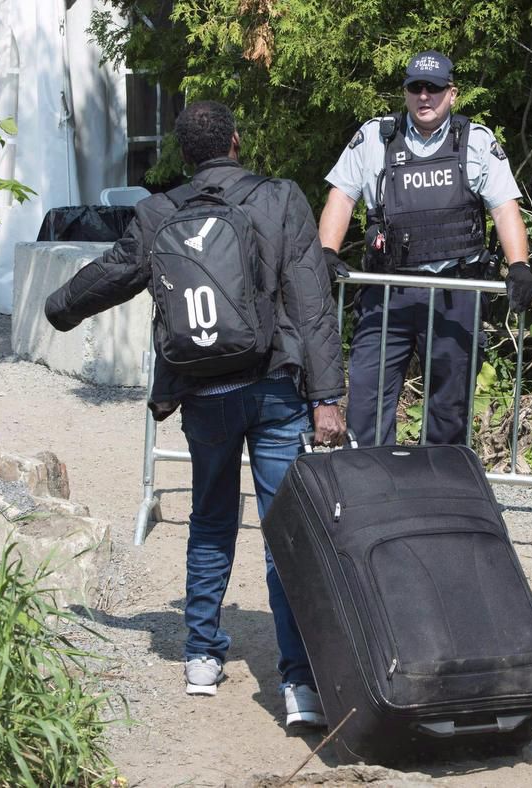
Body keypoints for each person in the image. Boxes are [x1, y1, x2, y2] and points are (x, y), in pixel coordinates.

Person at [45, 100, 345, 729]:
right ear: (236, 140)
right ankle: (299, 686)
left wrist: (60, 306)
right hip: (273, 387)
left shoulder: (158, 212)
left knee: (210, 521)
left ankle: (202, 657)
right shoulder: (280, 198)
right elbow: (312, 303)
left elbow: (116, 272)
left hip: (202, 393)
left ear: (184, 154)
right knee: (283, 531)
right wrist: (327, 398)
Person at [317, 50, 532, 447]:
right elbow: (342, 196)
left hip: (455, 293)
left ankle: (438, 495)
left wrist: (518, 264)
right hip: (388, 292)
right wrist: (328, 251)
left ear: (451, 94)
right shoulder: (375, 137)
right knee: (366, 403)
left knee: (449, 409)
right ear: (405, 93)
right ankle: (373, 494)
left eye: (433, 89)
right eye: (415, 88)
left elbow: (505, 208)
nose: (424, 97)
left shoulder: (475, 141)